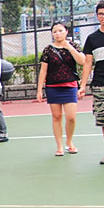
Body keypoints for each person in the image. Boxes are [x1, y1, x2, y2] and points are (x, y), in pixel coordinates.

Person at [37, 22, 86, 156]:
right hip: (53, 87)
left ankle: (69, 142)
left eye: (60, 31)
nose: (57, 34)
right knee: (56, 116)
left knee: (71, 117)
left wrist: (69, 47)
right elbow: (43, 70)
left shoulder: (73, 46)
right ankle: (59, 146)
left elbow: (82, 61)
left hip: (70, 86)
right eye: (55, 31)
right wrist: (39, 89)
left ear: (66, 32)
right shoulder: (48, 49)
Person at [79, 0, 104, 164]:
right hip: (100, 85)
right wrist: (82, 85)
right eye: (100, 14)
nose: (103, 17)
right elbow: (88, 63)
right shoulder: (92, 39)